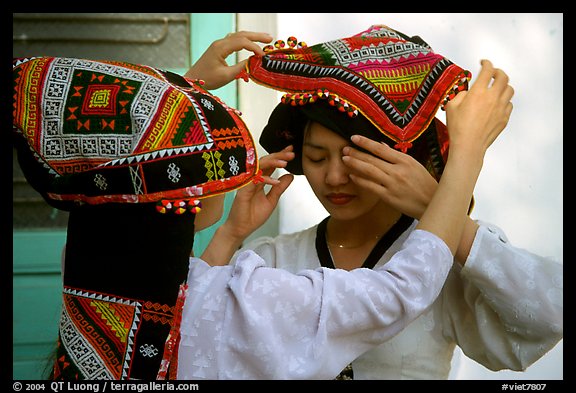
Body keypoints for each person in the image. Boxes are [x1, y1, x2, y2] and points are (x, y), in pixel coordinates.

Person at [12, 30, 513, 380]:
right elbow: (396, 292)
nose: (334, 176)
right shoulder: (244, 298)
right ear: (176, 197)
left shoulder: (93, 273)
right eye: (316, 157)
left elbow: (182, 297)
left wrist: (188, 88)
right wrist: (466, 155)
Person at [215, 24, 563, 379]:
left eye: (354, 157)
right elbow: (194, 334)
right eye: (317, 158)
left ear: (398, 158)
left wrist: (438, 207)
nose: (334, 177)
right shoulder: (271, 259)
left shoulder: (444, 259)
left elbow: (551, 313)